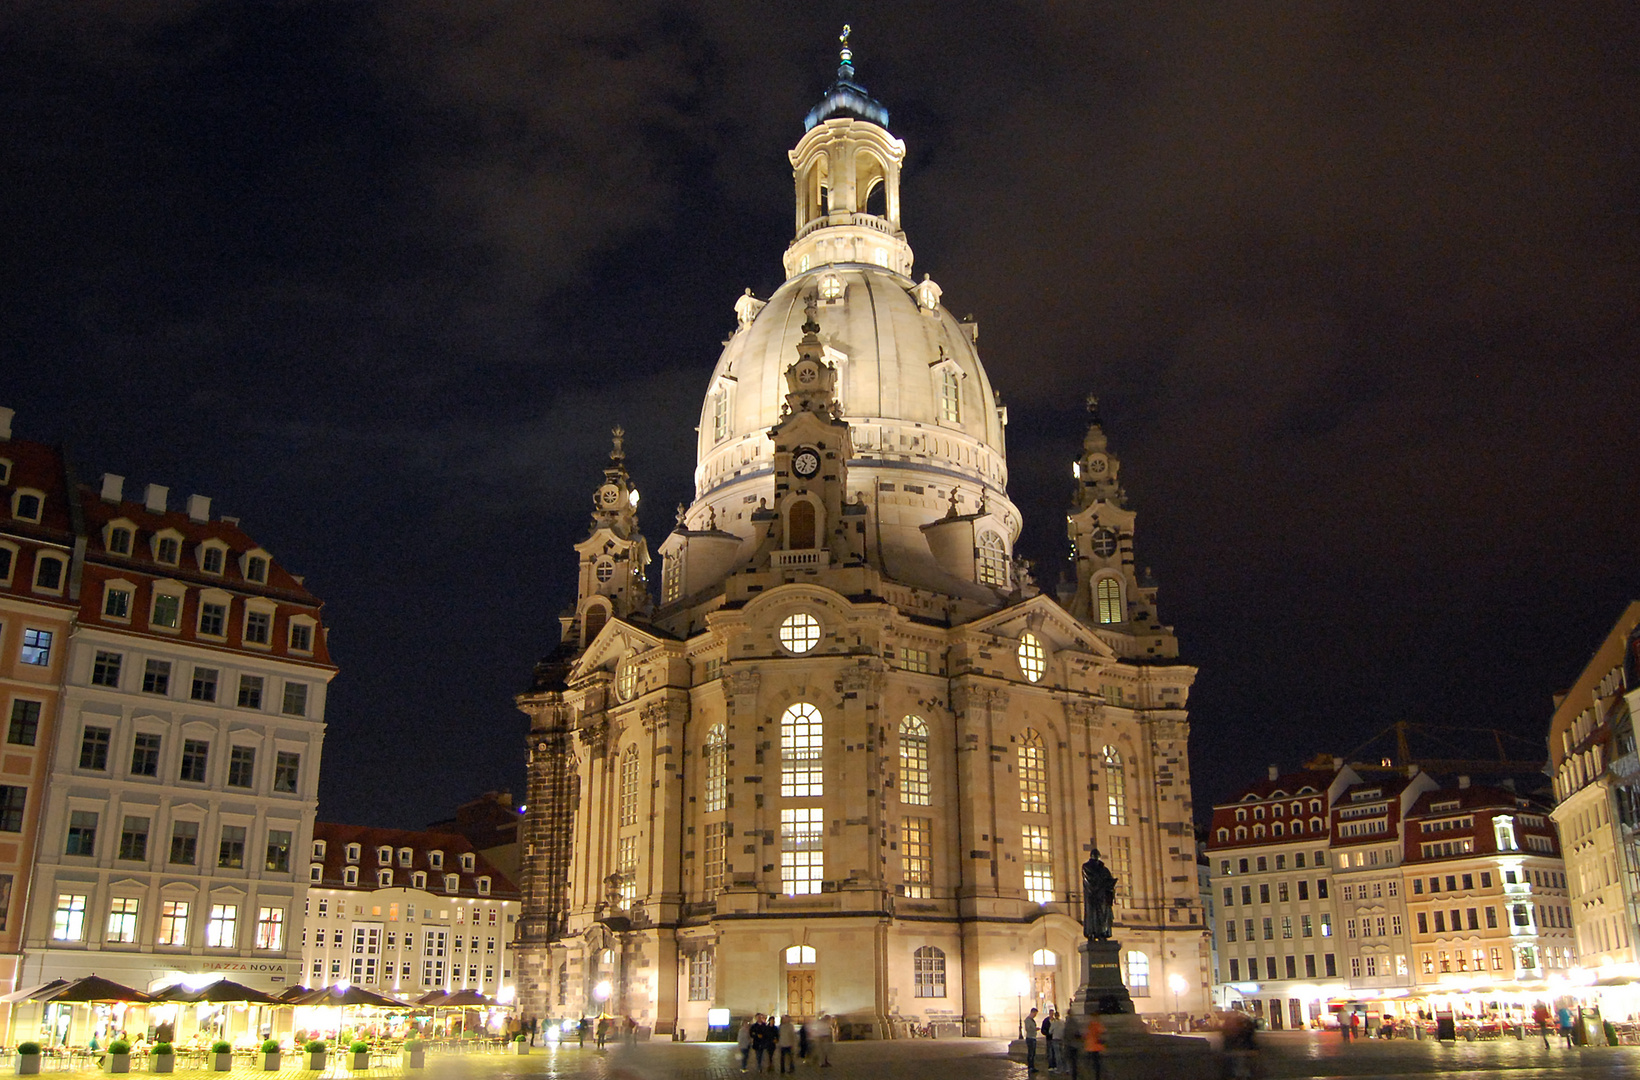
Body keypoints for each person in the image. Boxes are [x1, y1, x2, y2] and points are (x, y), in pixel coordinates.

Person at [1025, 1007, 1039, 1072]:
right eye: (1035, 1014)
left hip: (1033, 1037)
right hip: (1030, 1038)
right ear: (1032, 1012)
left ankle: (1032, 1066)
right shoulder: (1028, 1020)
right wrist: (1034, 1029)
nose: (1035, 1015)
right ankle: (1030, 1066)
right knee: (1031, 1053)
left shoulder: (1031, 1020)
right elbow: (1028, 1029)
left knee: (1033, 1053)